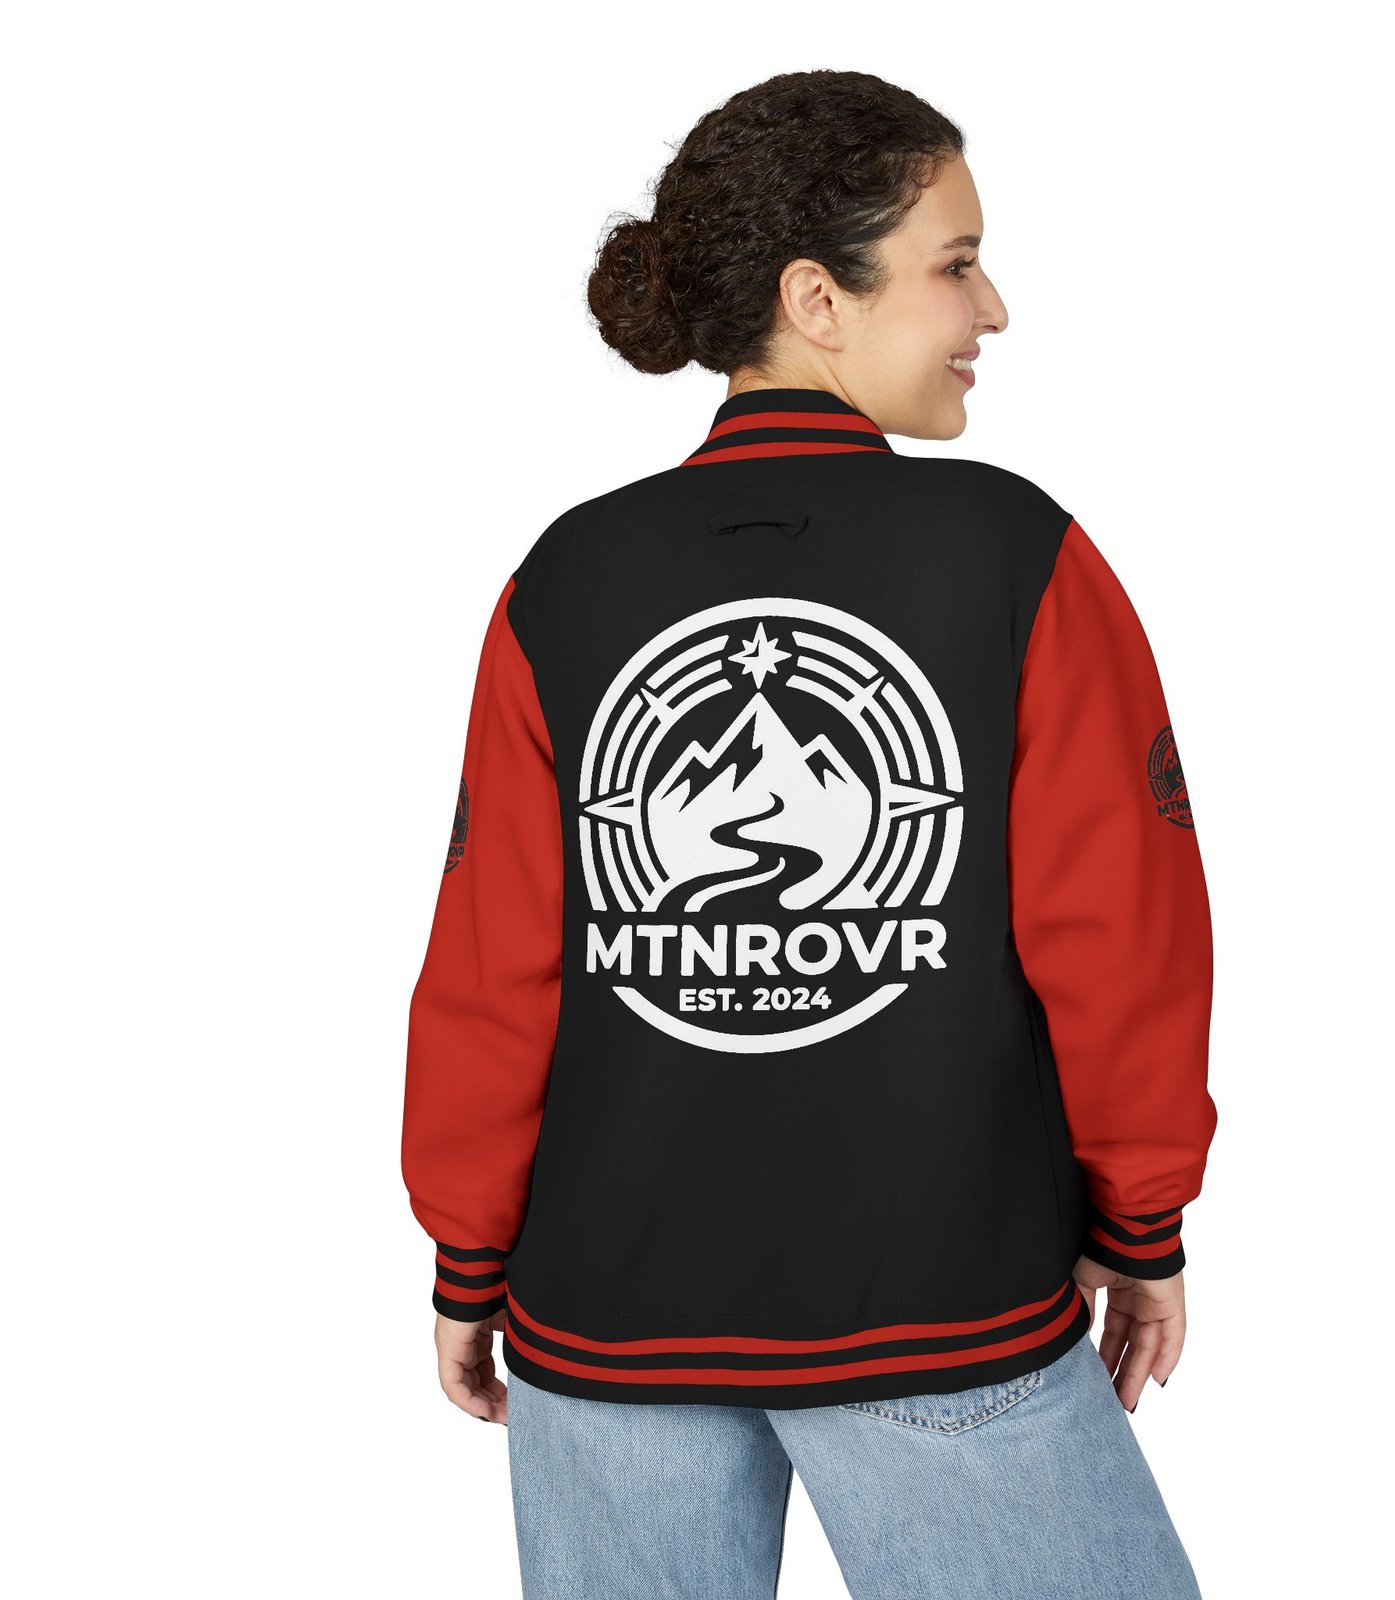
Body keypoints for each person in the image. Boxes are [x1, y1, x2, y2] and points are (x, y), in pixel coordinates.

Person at [401, 68, 1217, 1600]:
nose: (993, 308)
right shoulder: (1018, 555)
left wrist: (467, 1254)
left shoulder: (566, 578)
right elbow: (1122, 936)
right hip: (939, 1308)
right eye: (955, 264)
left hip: (604, 1329)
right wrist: (1142, 1217)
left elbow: (494, 965)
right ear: (815, 300)